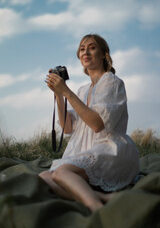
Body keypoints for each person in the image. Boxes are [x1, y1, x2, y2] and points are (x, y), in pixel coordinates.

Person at [39, 34, 139, 212]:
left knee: (62, 173)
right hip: (85, 150)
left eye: (92, 47)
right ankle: (105, 197)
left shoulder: (112, 82)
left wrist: (67, 92)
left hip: (109, 149)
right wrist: (59, 94)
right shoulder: (83, 90)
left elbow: (97, 125)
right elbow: (68, 127)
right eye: (82, 49)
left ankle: (96, 207)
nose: (86, 52)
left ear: (103, 55)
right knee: (45, 176)